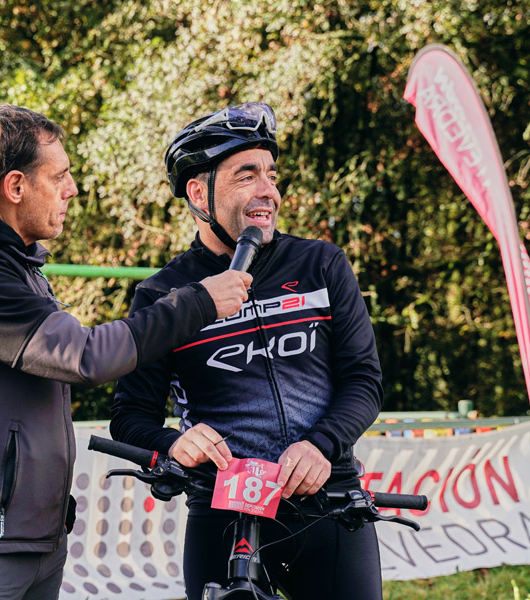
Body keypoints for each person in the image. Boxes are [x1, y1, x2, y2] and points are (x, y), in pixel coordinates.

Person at [0, 104, 252, 600]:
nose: (73, 189)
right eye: (59, 175)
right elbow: (84, 357)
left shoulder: (14, 261)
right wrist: (197, 301)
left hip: (29, 539)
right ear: (15, 186)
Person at [110, 102, 385, 600]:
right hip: (223, 510)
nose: (268, 191)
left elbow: (364, 381)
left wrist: (321, 444)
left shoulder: (321, 264)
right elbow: (130, 416)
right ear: (199, 193)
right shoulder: (163, 295)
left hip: (330, 501)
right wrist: (173, 443)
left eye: (271, 175)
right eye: (246, 175)